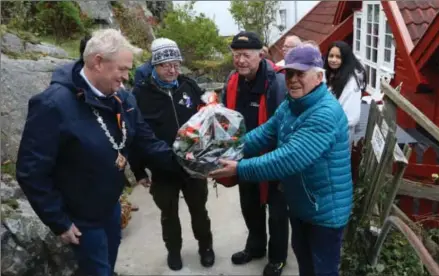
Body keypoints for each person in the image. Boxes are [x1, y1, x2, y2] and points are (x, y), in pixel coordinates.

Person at [15, 28, 182, 276]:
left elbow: (146, 141)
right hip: (80, 218)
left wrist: (187, 162)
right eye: (122, 69)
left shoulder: (123, 99)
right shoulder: (53, 104)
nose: (127, 77)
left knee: (108, 266)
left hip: (110, 208)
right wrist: (58, 221)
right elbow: (31, 170)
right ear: (98, 62)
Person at [209, 44, 353, 276]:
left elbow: (288, 159)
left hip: (324, 211)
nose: (293, 79)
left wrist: (239, 168)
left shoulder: (325, 113)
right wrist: (227, 149)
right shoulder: (291, 104)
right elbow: (265, 133)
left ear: (318, 76)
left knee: (322, 269)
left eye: (300, 73)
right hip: (301, 203)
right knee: (304, 261)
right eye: (289, 73)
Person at [130, 38, 215, 271]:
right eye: (166, 64)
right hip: (162, 168)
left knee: (199, 209)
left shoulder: (188, 86)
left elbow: (209, 118)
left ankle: (206, 247)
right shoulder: (140, 94)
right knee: (168, 214)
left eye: (176, 64)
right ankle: (174, 251)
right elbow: (133, 135)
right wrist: (138, 170)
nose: (172, 70)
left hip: (193, 165)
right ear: (154, 65)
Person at [220, 31, 288, 276]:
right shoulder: (232, 80)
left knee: (278, 212)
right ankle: (255, 247)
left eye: (246, 55)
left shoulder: (277, 82)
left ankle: (277, 258)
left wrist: (282, 164)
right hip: (244, 157)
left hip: (273, 158)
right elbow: (223, 115)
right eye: (236, 55)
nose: (240, 61)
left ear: (260, 54)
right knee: (250, 206)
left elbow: (284, 127)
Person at [324, 41, 367, 146]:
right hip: (328, 131)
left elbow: (351, 118)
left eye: (338, 57)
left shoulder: (351, 83)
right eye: (331, 56)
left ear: (346, 59)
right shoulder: (332, 75)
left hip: (339, 134)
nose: (333, 60)